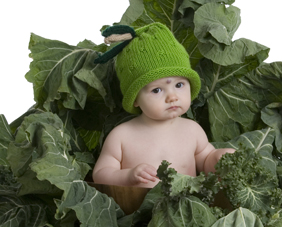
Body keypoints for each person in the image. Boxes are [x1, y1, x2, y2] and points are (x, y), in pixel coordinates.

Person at [92, 22, 234, 188]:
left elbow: (205, 160)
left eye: (179, 85)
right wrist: (128, 176)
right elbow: (101, 174)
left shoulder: (192, 130)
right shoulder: (121, 136)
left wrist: (218, 158)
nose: (172, 97)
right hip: (136, 211)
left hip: (187, 211)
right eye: (157, 90)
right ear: (135, 99)